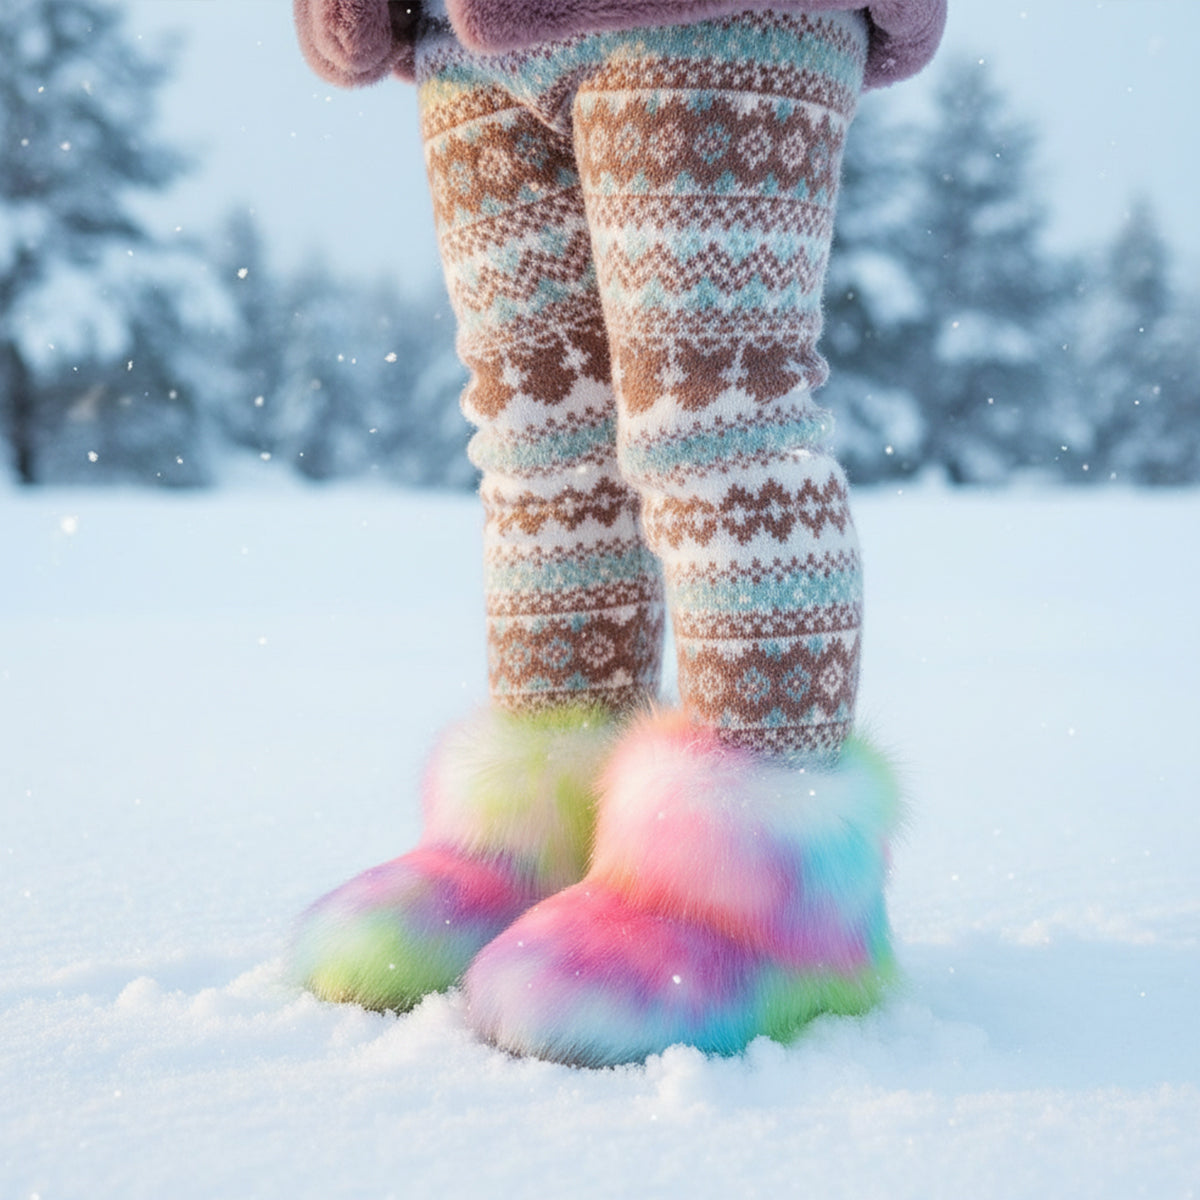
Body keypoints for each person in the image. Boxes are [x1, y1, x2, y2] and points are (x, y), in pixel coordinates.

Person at [288, 0, 946, 1068]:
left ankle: (765, 907)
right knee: (541, 446)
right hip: (456, 31)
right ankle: (546, 847)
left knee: (718, 414)